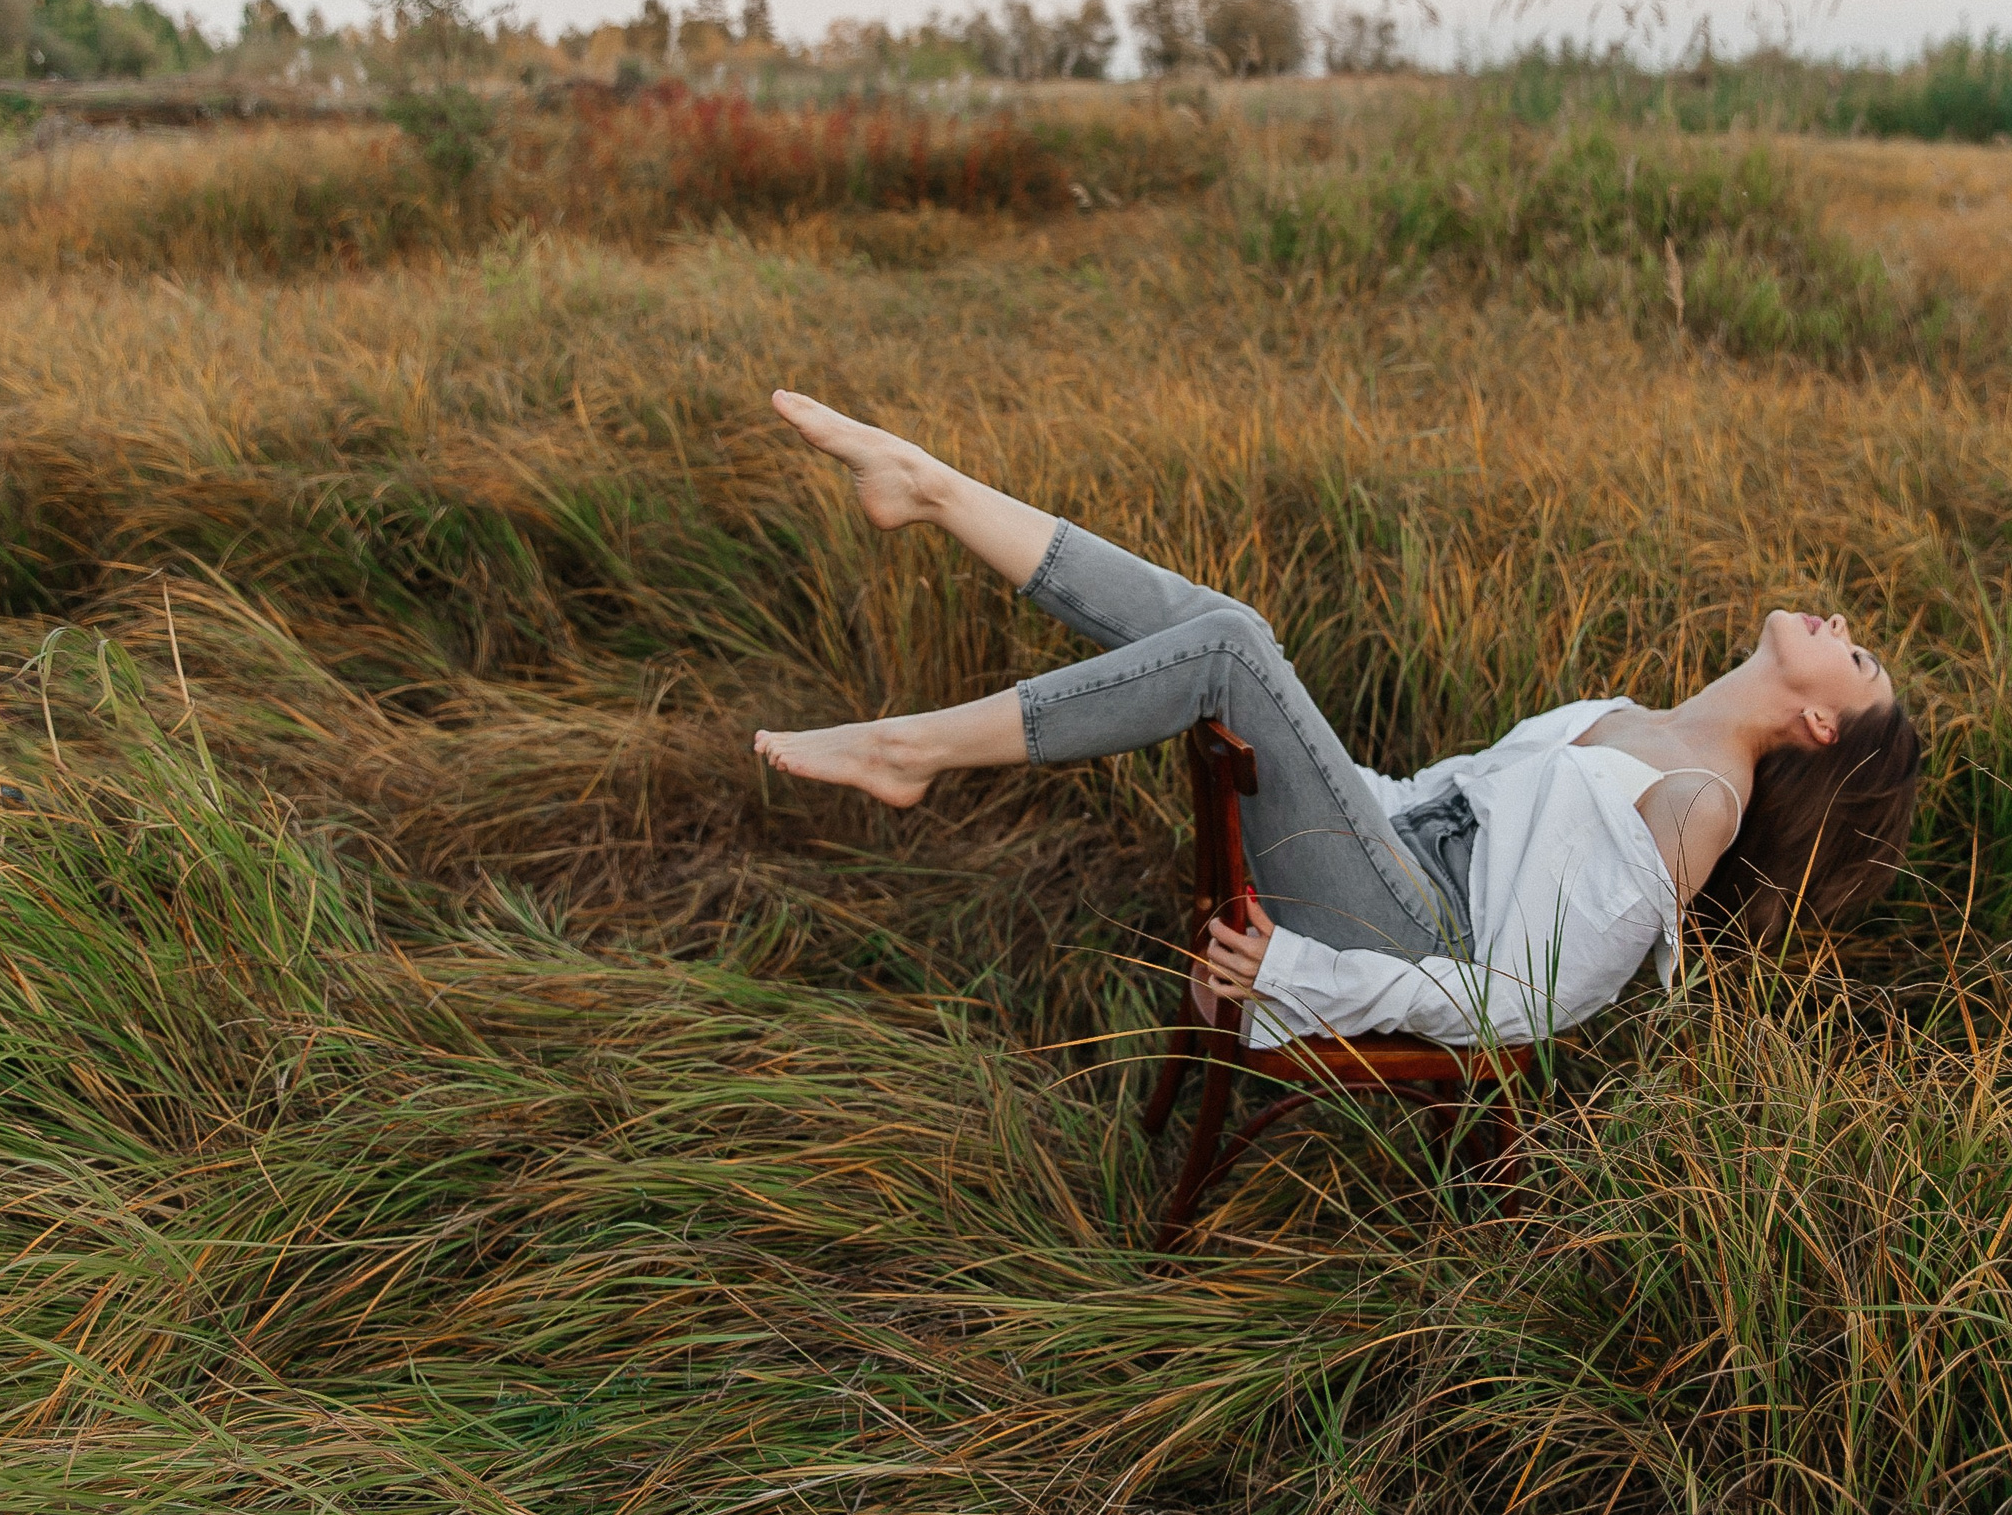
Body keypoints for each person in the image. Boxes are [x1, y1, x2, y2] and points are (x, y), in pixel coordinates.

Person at [753, 391, 1922, 1050]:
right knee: (1228, 628)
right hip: (1384, 855)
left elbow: (1530, 999)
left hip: (1401, 935)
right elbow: (1439, 798)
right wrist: (1318, 768)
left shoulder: (1700, 802)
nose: (1835, 623)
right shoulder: (1633, 717)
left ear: (1823, 725)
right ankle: (932, 487)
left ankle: (906, 748)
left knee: (1229, 647)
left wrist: (1308, 973)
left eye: (1854, 654)